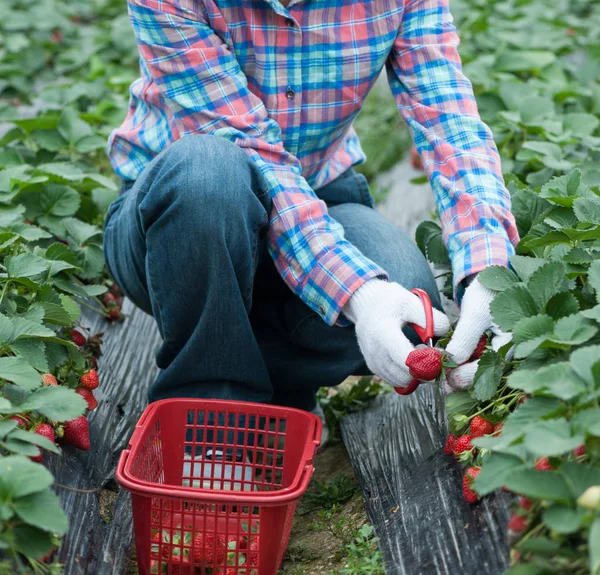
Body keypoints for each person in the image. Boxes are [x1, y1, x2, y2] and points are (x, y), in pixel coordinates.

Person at [104, 0, 519, 442]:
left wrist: (486, 271)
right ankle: (209, 415)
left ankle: (254, 366)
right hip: (181, 218)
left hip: (319, 188)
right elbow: (246, 146)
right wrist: (358, 292)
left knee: (407, 296)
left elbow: (449, 122)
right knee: (207, 170)